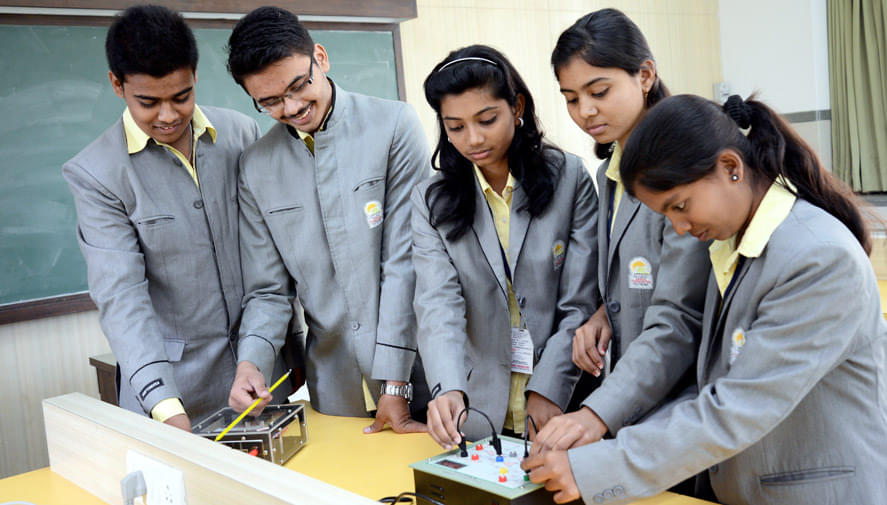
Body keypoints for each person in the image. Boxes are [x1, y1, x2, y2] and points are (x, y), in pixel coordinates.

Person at [523, 93, 887, 504]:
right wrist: (599, 429)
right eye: (667, 215)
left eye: (680, 206)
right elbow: (710, 384)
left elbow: (739, 405)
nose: (679, 228)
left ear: (731, 167)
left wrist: (599, 466)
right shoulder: (732, 243)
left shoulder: (817, 259)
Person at [225, 6, 430, 433]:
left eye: (298, 86)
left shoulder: (394, 125)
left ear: (320, 57)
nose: (292, 107)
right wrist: (251, 362)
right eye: (270, 102)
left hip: (420, 377)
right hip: (335, 391)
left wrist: (396, 382)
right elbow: (268, 291)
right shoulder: (256, 166)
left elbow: (406, 262)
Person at [63, 5, 263, 429]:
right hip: (174, 395)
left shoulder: (242, 135)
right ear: (117, 84)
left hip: (260, 379)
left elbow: (270, 259)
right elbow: (122, 297)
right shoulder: (96, 173)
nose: (168, 116)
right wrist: (166, 407)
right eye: (148, 102)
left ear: (194, 76)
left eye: (181, 97)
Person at [536, 8, 710, 448]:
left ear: (645, 75)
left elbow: (678, 318)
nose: (585, 111)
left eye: (599, 91)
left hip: (682, 404)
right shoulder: (608, 174)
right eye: (571, 98)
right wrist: (605, 313)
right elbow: (636, 277)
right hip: (635, 401)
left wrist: (596, 414)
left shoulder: (683, 172)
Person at [413, 45, 598, 447]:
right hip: (477, 407)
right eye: (455, 127)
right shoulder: (431, 200)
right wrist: (448, 386)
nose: (473, 139)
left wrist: (549, 386)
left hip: (564, 401)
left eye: (487, 120)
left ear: (517, 107)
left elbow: (580, 301)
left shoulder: (569, 178)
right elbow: (437, 304)